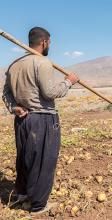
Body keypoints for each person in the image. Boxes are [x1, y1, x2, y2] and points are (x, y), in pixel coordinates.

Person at [2, 27, 78, 213]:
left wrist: (14, 108)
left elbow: (6, 93)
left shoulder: (14, 65)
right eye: (49, 42)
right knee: (44, 160)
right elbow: (50, 93)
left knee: (25, 157)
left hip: (23, 119)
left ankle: (22, 194)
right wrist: (69, 81)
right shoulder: (42, 62)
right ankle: (38, 205)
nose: (49, 45)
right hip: (43, 119)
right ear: (44, 42)